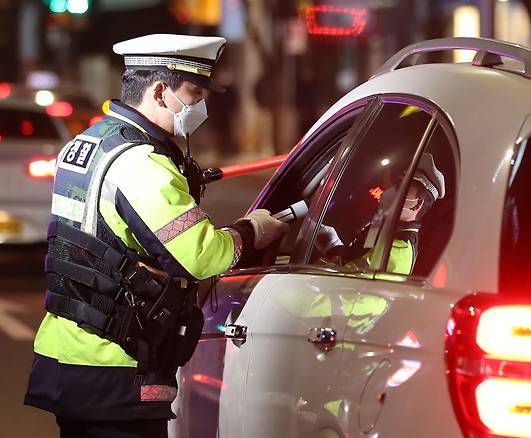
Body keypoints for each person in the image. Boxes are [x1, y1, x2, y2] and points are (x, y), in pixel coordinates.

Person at [24, 34, 288, 438]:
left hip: (70, 351)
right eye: (195, 95)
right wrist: (253, 231)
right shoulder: (140, 164)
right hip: (114, 363)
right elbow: (201, 256)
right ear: (161, 92)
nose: (200, 108)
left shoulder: (88, 143)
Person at [316, 153, 444, 275]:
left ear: (417, 204)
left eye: (401, 188)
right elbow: (354, 257)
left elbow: (345, 282)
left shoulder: (397, 251)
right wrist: (332, 245)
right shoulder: (383, 227)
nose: (390, 192)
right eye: (395, 185)